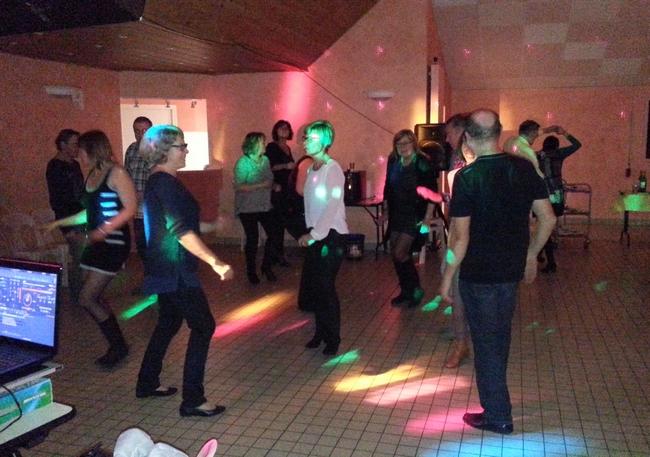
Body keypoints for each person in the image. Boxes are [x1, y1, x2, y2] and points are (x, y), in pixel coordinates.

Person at [439, 109, 556, 434]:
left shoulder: (468, 177)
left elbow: (460, 238)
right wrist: (531, 254)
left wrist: (447, 278)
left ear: (468, 137)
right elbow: (548, 218)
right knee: (498, 338)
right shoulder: (523, 168)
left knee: (487, 344)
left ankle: (498, 416)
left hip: (479, 274)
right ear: (499, 133)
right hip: (510, 270)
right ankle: (497, 407)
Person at [136, 125, 234, 418]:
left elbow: (179, 223)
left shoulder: (162, 182)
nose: (186, 150)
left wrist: (210, 226)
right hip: (175, 268)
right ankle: (193, 399)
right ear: (164, 151)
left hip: (165, 266)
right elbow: (179, 231)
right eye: (181, 145)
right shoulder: (164, 183)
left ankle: (147, 382)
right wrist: (216, 262)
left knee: (168, 322)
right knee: (203, 326)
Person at [46, 130, 137, 368]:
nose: (78, 155)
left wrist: (101, 231)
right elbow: (90, 212)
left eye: (81, 150)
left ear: (94, 150)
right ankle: (117, 345)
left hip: (114, 243)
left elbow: (130, 208)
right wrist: (62, 222)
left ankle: (119, 346)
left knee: (87, 297)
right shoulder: (93, 175)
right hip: (98, 243)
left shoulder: (116, 173)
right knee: (89, 297)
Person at [299, 120, 348, 356]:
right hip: (317, 235)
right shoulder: (311, 169)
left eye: (312, 138)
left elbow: (331, 206)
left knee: (326, 288)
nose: (306, 142)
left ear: (325, 141)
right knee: (316, 289)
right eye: (306, 137)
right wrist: (311, 232)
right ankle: (320, 333)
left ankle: (333, 338)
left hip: (332, 237)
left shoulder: (333, 169)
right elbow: (310, 205)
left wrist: (314, 235)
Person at [382, 130, 439, 308]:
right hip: (397, 213)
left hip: (415, 214)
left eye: (406, 143)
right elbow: (387, 187)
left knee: (401, 252)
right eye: (399, 144)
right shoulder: (393, 161)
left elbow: (432, 192)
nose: (403, 147)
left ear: (413, 144)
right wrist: (385, 210)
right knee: (396, 253)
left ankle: (415, 290)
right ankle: (406, 291)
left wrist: (427, 218)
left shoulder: (422, 162)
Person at [442, 138, 475, 369]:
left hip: (484, 245)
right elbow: (455, 219)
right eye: (465, 145)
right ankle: (460, 343)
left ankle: (479, 343)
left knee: (480, 298)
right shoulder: (455, 175)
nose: (469, 149)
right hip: (459, 241)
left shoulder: (492, 173)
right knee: (458, 298)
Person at [46, 129, 85, 304]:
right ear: (63, 145)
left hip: (81, 216)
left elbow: (80, 192)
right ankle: (79, 297)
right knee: (79, 258)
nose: (78, 148)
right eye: (75, 144)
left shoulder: (74, 165)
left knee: (84, 257)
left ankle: (85, 295)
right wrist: (67, 228)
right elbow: (57, 200)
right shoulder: (55, 167)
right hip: (70, 219)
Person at [536, 126, 582, 273]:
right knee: (548, 226)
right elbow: (577, 145)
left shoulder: (538, 155)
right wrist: (565, 133)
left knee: (542, 226)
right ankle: (542, 256)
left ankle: (548, 260)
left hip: (542, 194)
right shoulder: (559, 153)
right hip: (556, 193)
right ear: (556, 145)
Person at [234, 132, 277, 284]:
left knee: (274, 234)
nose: (264, 145)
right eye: (262, 143)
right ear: (253, 145)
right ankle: (251, 271)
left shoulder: (265, 160)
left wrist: (273, 186)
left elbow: (269, 179)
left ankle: (266, 266)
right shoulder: (242, 163)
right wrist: (261, 185)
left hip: (264, 205)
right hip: (247, 208)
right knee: (252, 239)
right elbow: (239, 186)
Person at [265, 120, 295, 267]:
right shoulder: (272, 147)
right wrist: (286, 165)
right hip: (276, 188)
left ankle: (277, 254)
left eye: (286, 128)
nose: (284, 130)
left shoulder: (288, 148)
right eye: (281, 128)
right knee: (277, 223)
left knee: (282, 222)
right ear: (275, 131)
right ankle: (275, 255)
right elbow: (268, 166)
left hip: (286, 189)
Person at [124, 116, 153, 265]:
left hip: (154, 208)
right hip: (136, 209)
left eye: (144, 131)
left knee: (154, 247)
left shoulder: (159, 150)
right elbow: (127, 175)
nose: (141, 135)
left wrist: (146, 193)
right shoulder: (131, 150)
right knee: (141, 245)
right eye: (137, 131)